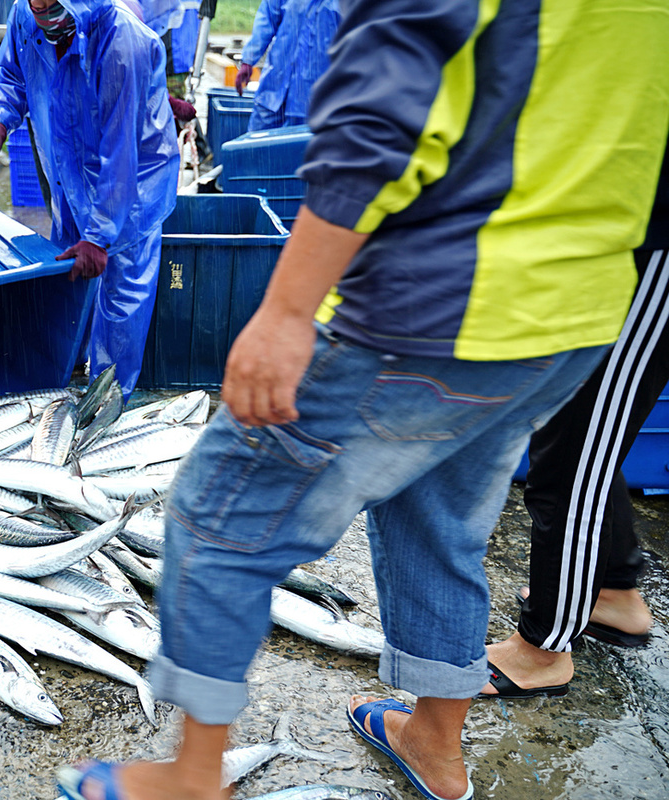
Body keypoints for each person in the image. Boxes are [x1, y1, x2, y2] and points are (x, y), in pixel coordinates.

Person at [52, 1, 669, 799]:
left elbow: (382, 117)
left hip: (433, 306)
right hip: (572, 312)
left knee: (220, 513)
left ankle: (192, 774)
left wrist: (283, 311)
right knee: (437, 512)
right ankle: (436, 747)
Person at [481, 164, 669, 698]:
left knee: (574, 457)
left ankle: (543, 650)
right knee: (570, 433)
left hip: (653, 244)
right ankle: (612, 594)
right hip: (617, 224)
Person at [0, 0, 179, 400]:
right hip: (69, 177)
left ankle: (107, 402)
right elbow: (11, 75)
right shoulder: (25, 15)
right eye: (35, 1)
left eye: (51, 2)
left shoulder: (122, 41)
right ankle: (68, 376)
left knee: (121, 300)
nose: (41, 8)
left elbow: (121, 151)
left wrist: (99, 236)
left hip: (130, 190)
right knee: (70, 283)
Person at [233, 0, 340, 131]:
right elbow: (267, 19)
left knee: (298, 146)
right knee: (255, 144)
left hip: (313, 96)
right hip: (274, 87)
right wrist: (248, 60)